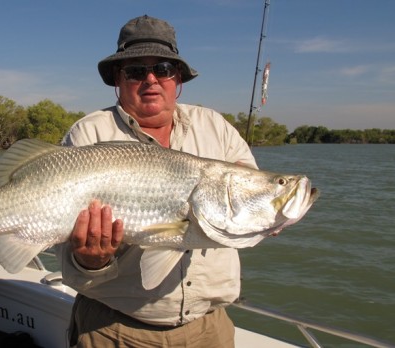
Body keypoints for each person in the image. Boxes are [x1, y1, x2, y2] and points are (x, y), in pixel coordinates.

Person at [59, 15, 258, 347]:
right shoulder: (88, 133)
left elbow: (248, 204)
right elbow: (65, 247)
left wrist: (270, 215)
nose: (151, 79)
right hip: (113, 330)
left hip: (209, 330)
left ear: (177, 77)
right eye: (136, 71)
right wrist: (90, 260)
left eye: (163, 68)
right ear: (117, 80)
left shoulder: (217, 128)